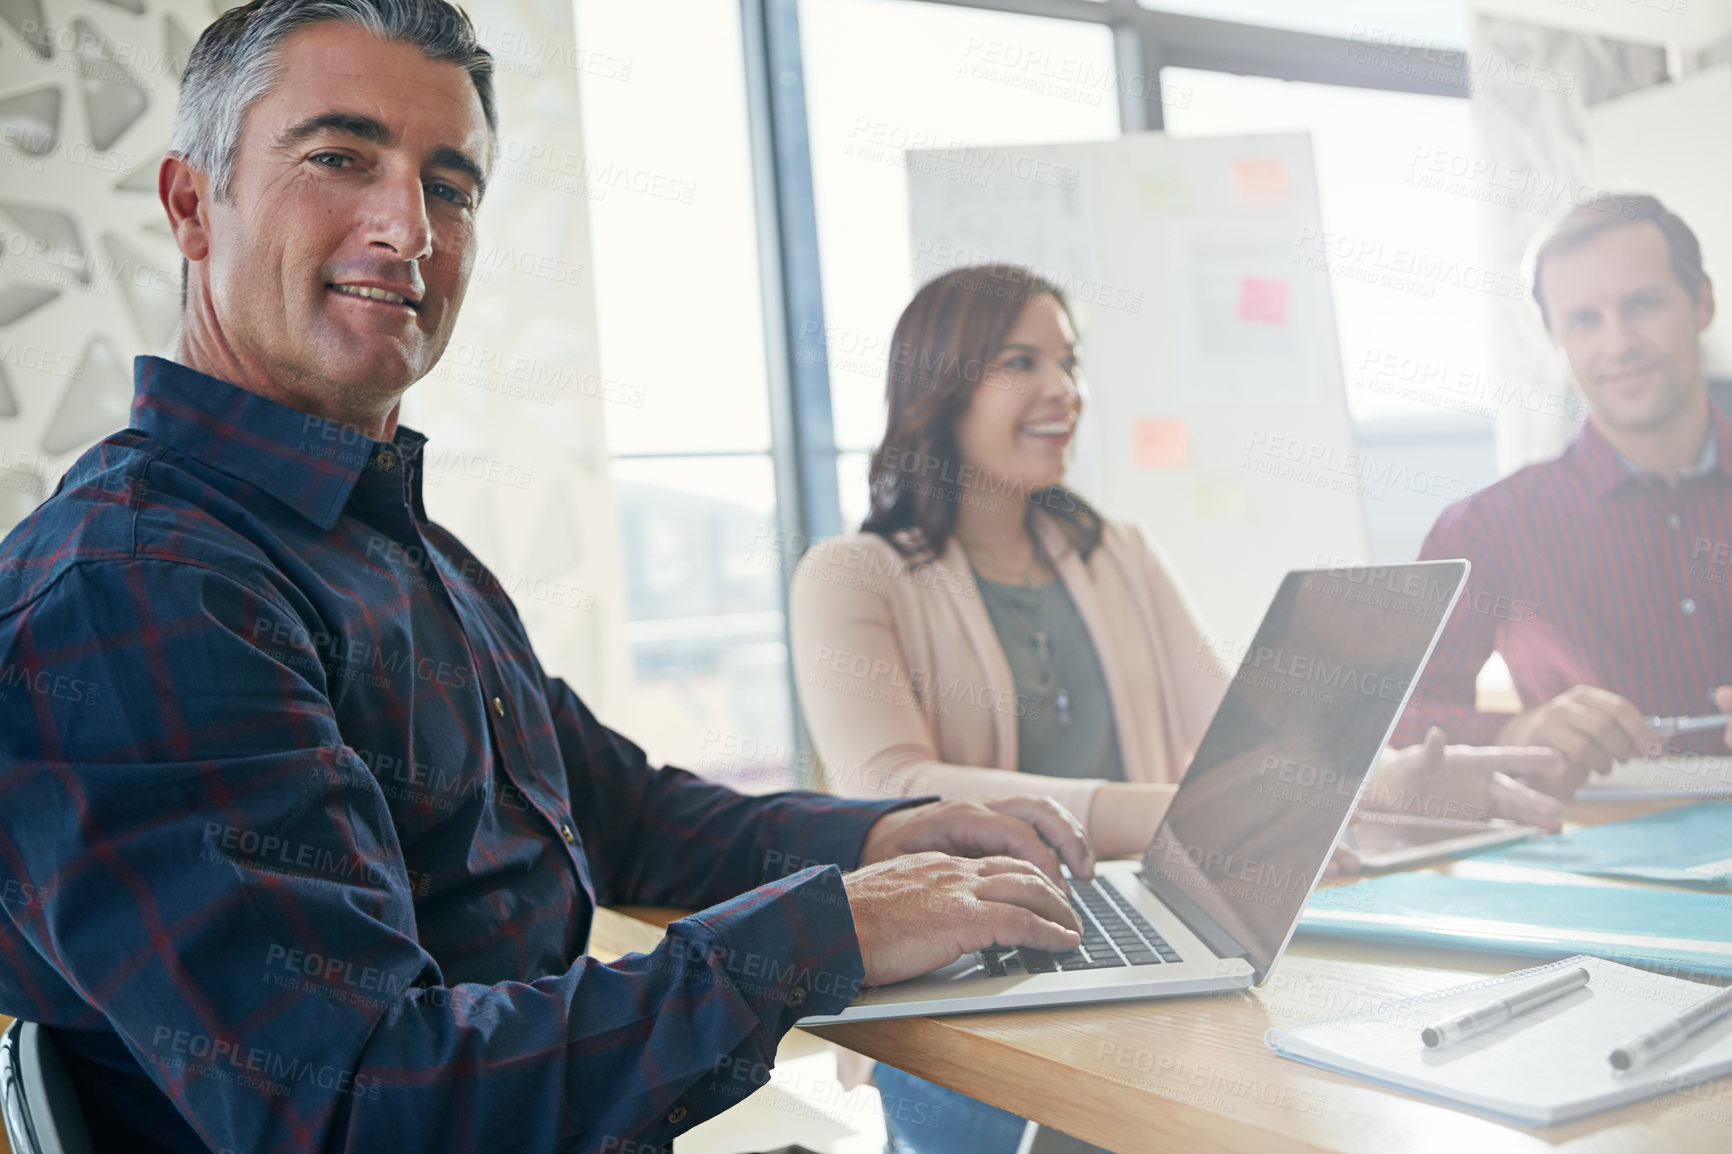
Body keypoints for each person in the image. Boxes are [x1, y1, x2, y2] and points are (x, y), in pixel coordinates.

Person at [0, 5, 1101, 1152]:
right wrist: (816, 931)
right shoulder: (139, 589)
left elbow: (619, 812)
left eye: (451, 185)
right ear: (191, 204)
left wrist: (892, 840)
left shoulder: (382, 540)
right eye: (339, 157)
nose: (408, 228)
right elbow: (364, 1104)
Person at [788, 263, 1574, 1153]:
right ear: (941, 388)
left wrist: (1394, 781)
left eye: (1070, 363)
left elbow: (1240, 736)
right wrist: (1176, 817)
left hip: (1145, 930)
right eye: (1023, 362)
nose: (1064, 391)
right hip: (961, 967)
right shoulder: (852, 577)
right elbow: (895, 787)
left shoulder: (1117, 553)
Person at [1392, 196, 1732, 773]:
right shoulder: (1487, 527)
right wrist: (1516, 733)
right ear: (1554, 336)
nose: (1618, 343)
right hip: (1609, 850)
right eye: (1583, 320)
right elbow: (1391, 723)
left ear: (1702, 302)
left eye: (1643, 304)